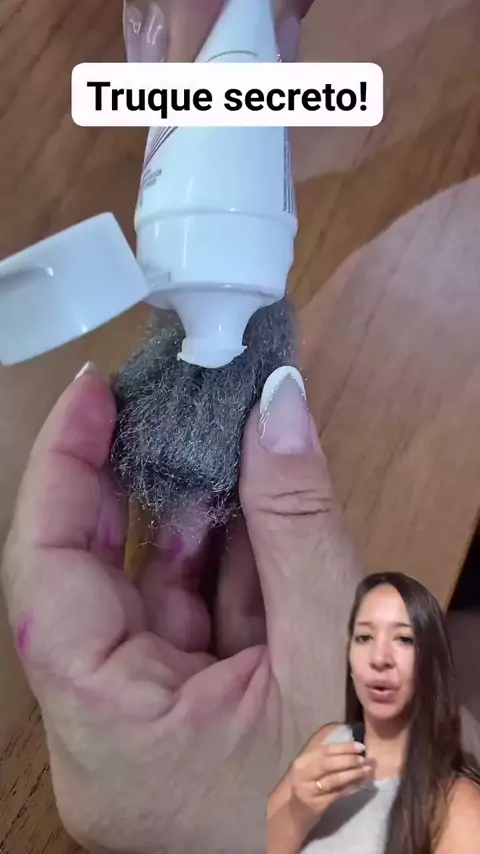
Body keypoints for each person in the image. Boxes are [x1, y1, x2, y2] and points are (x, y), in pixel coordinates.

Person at [267, 572, 480, 854]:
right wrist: (296, 813)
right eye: (364, 637)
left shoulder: (458, 806)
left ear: (431, 662)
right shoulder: (329, 740)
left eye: (403, 639)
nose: (379, 658)